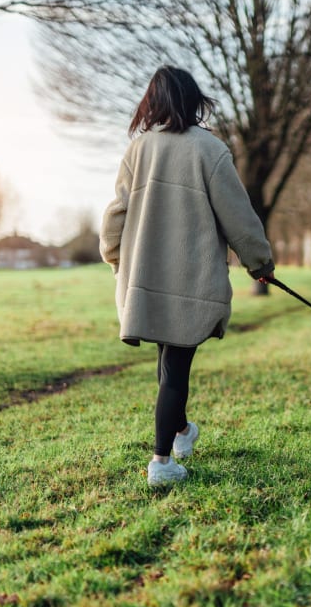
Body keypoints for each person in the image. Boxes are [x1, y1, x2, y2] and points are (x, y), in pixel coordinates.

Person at [100, 66, 275, 486]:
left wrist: (114, 257)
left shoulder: (137, 150)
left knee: (168, 365)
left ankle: (181, 433)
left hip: (145, 278)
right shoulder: (208, 150)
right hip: (191, 280)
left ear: (153, 104)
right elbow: (238, 215)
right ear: (193, 100)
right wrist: (259, 262)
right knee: (175, 370)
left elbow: (115, 215)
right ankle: (161, 462)